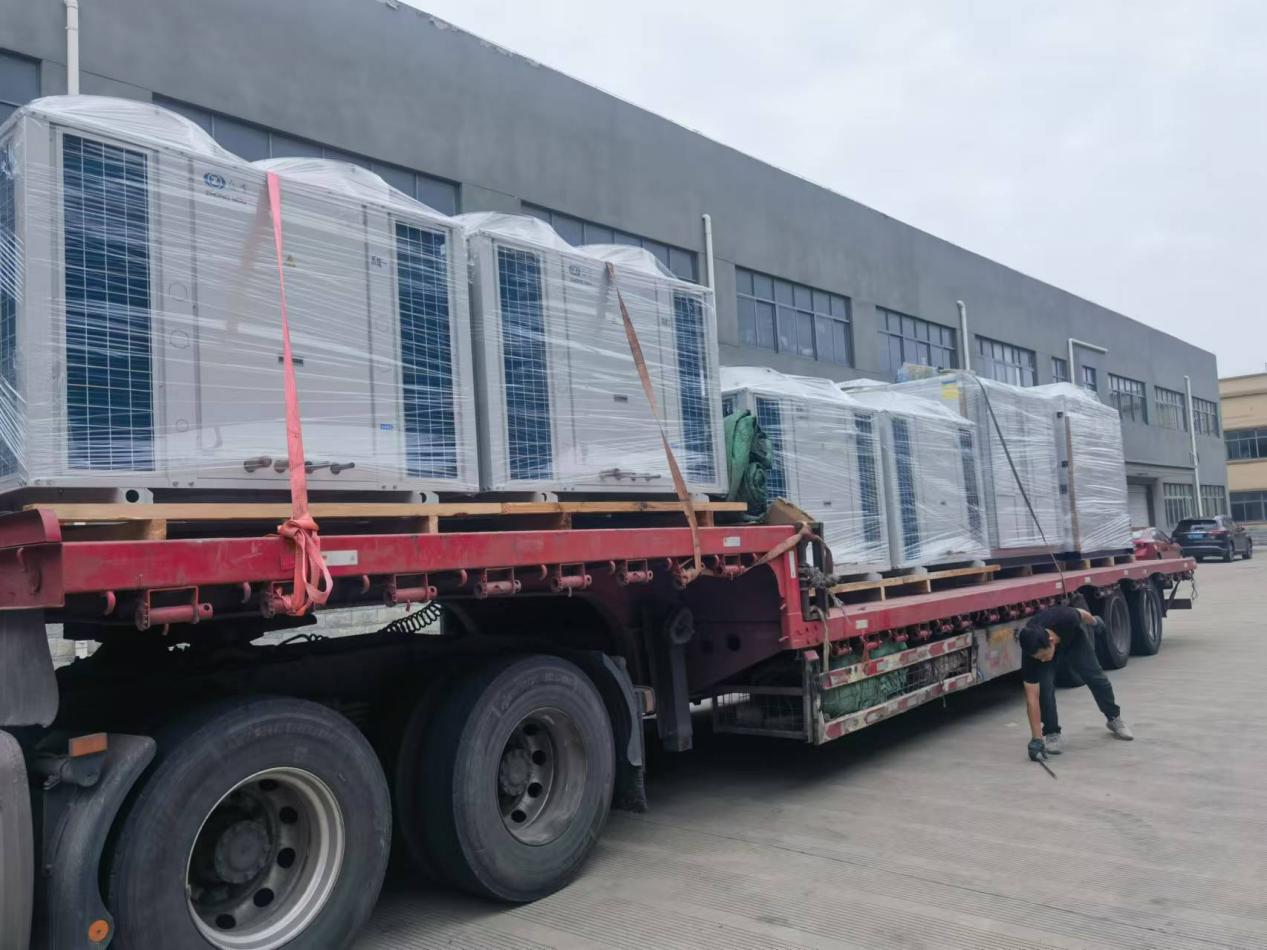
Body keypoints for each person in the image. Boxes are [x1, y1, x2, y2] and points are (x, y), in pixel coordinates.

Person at [1017, 603, 1134, 760]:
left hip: (1074, 641)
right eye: (1038, 658)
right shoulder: (1031, 655)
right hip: (1049, 645)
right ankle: (1052, 733)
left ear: (1051, 640)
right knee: (1045, 690)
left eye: (1043, 656)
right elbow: (1032, 699)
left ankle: (1114, 718)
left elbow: (1082, 613)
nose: (1042, 660)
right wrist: (1036, 738)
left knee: (1096, 677)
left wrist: (1095, 623)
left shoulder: (1065, 618)